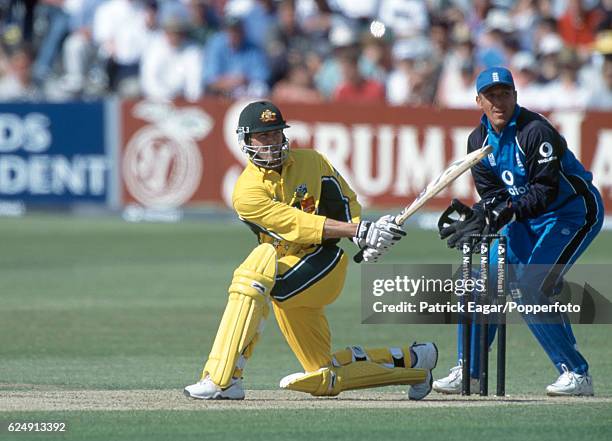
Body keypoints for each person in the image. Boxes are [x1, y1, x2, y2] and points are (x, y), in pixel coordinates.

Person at [184, 101, 438, 400]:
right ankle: (415, 364)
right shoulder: (245, 193)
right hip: (286, 272)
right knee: (323, 374)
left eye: (276, 134)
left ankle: (223, 379)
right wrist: (359, 231)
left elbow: (345, 202)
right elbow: (295, 223)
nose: (272, 143)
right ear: (246, 141)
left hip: (324, 263)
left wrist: (364, 236)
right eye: (263, 137)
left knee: (256, 268)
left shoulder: (312, 162)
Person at [433, 67, 604, 396]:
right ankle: (470, 371)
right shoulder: (478, 142)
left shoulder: (535, 131)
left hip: (572, 212)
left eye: (505, 94)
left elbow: (545, 189)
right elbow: (494, 196)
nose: (499, 102)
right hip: (528, 219)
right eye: (491, 96)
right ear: (478, 100)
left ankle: (577, 374)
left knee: (531, 284)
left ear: (515, 96)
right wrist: (482, 215)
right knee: (478, 281)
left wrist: (503, 212)